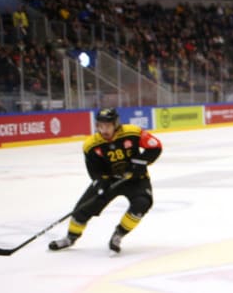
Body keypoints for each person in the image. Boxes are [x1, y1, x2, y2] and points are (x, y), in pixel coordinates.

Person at [49, 108, 162, 254]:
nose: (104, 130)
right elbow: (95, 171)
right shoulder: (91, 145)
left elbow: (155, 146)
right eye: (100, 126)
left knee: (142, 203)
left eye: (107, 125)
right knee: (82, 208)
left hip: (135, 179)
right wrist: (101, 184)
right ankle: (70, 237)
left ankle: (118, 235)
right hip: (109, 181)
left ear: (116, 124)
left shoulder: (133, 132)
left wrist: (139, 163)